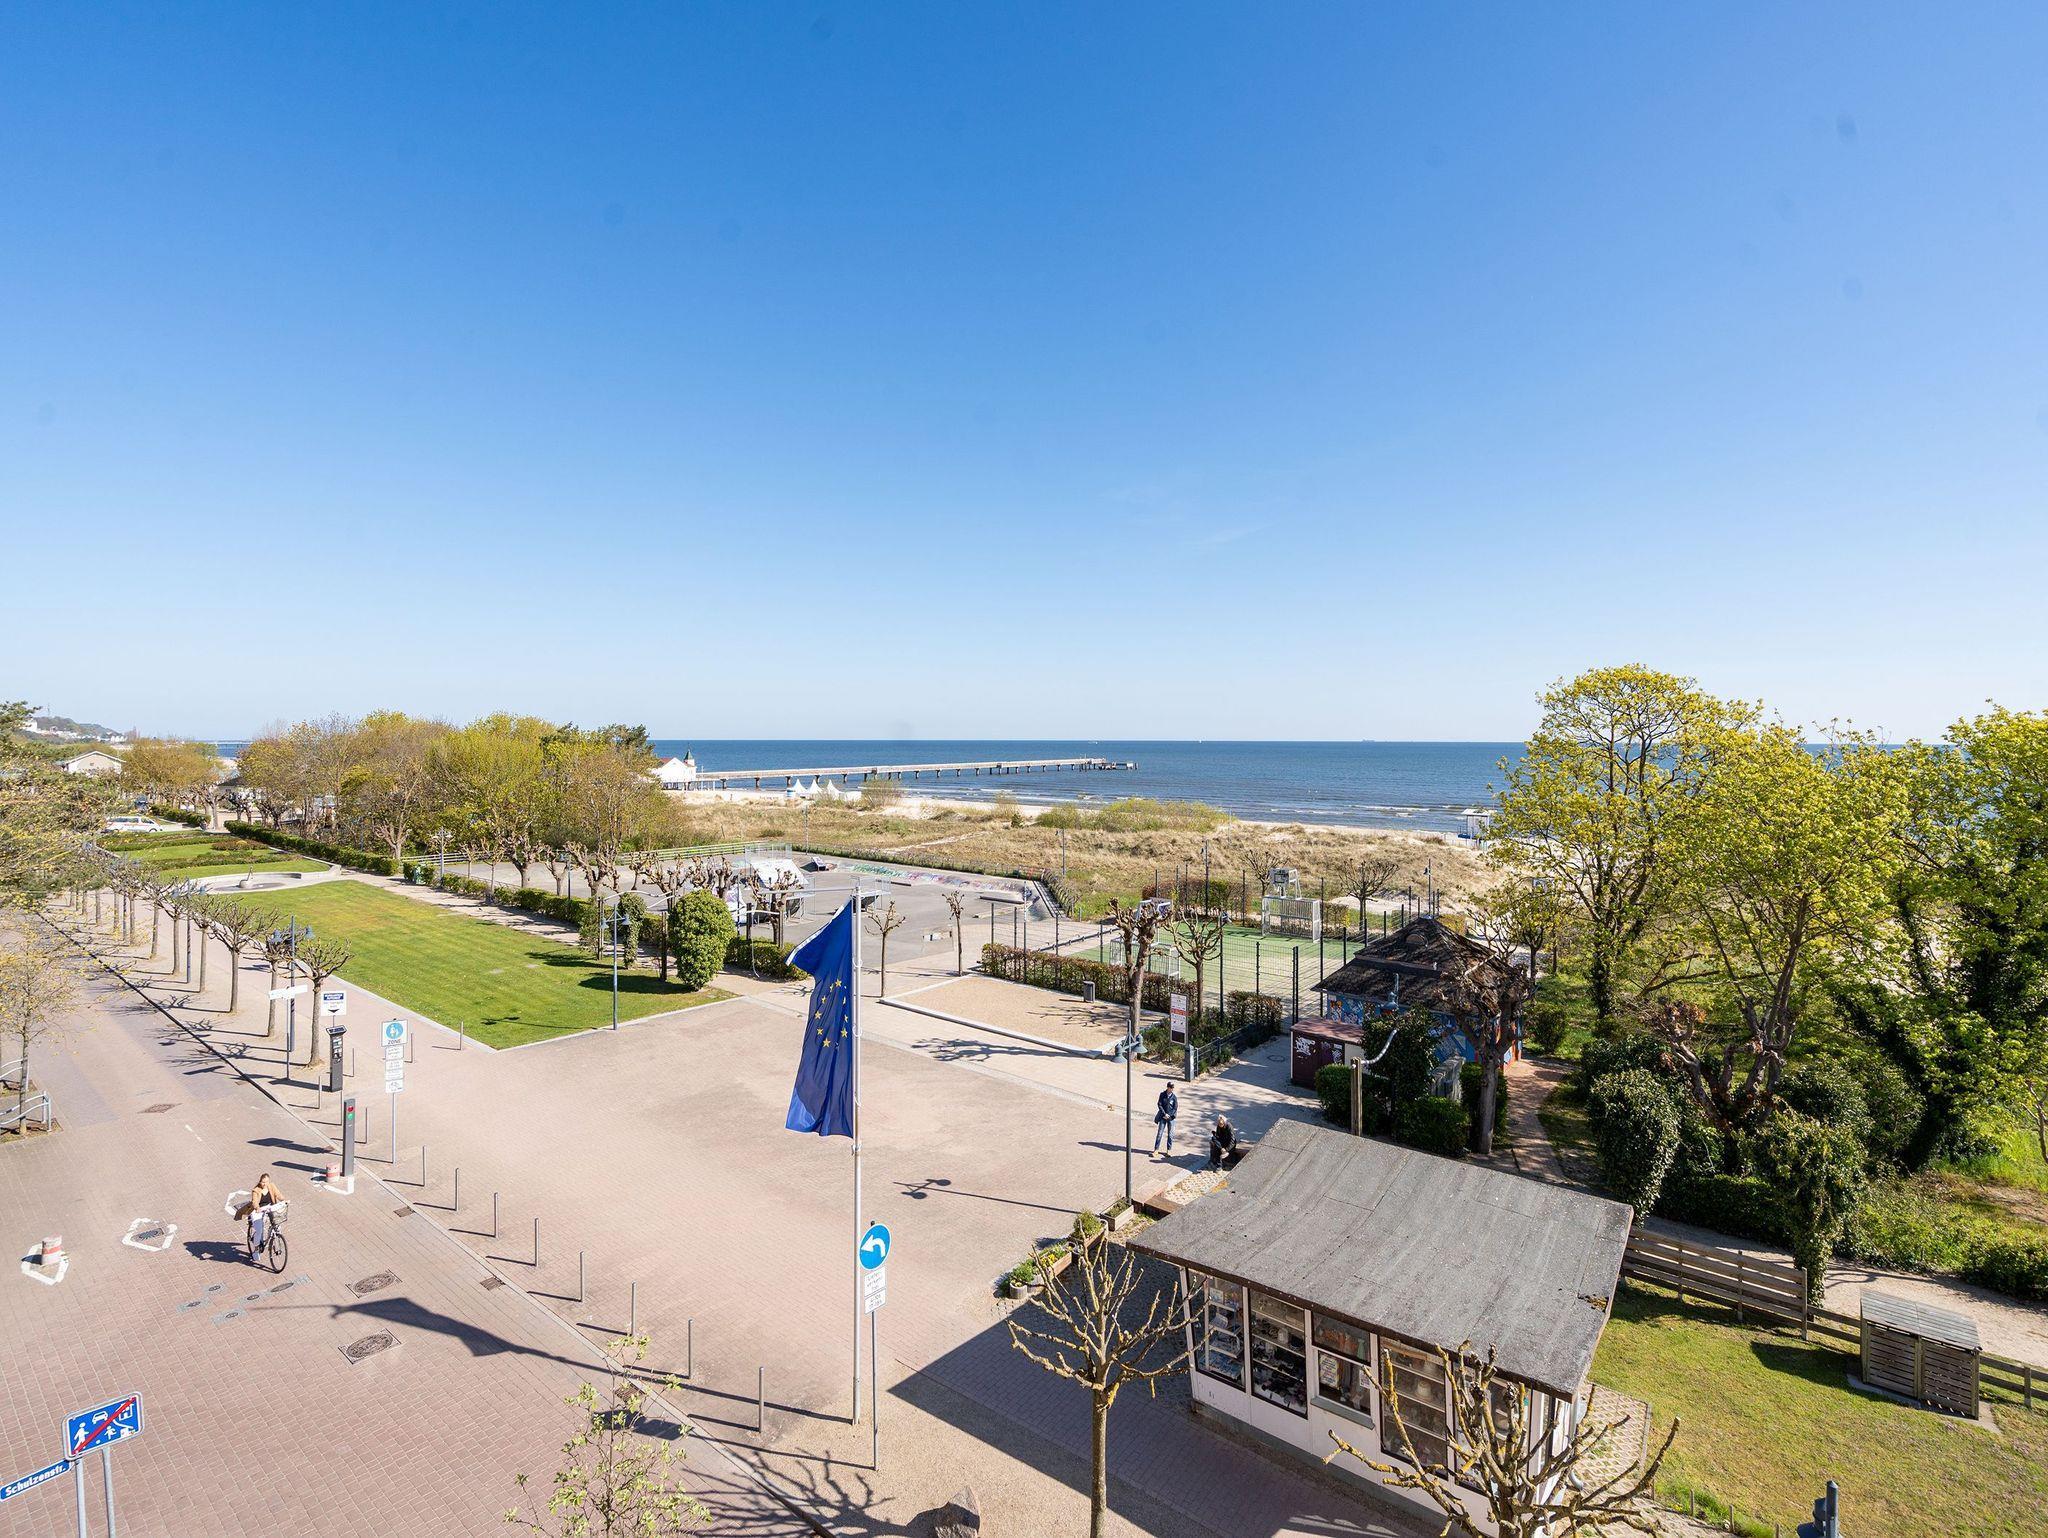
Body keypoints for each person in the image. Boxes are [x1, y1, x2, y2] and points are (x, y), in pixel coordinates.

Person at [242, 1172, 282, 1255]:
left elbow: (278, 1194)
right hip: (260, 1209)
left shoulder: (272, 1186)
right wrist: (257, 1208)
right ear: (260, 1182)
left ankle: (276, 1241)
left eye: (266, 1182)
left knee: (277, 1224)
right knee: (259, 1229)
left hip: (270, 1207)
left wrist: (284, 1200)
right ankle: (256, 1248)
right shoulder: (256, 1190)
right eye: (263, 1182)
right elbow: (254, 1201)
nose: (265, 1184)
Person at [1151, 1084, 1179, 1157]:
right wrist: (1164, 1114)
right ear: (1168, 1087)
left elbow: (1175, 1108)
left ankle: (1168, 1150)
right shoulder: (1162, 1094)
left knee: (1170, 1134)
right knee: (1159, 1133)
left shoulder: (1174, 1097)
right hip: (1163, 1117)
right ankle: (1156, 1150)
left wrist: (1169, 1115)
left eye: (1172, 1088)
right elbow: (1159, 1104)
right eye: (1171, 1088)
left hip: (1171, 1118)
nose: (1172, 1089)